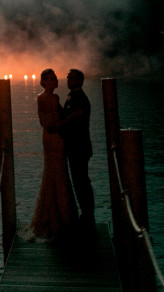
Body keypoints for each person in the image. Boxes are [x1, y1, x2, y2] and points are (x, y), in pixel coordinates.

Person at [29, 68, 77, 240]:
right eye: (49, 79)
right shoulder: (42, 98)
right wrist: (62, 122)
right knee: (52, 172)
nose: (53, 81)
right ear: (43, 82)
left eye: (54, 78)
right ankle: (53, 220)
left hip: (59, 136)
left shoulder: (56, 98)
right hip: (51, 137)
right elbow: (46, 122)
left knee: (61, 173)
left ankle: (64, 218)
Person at [60, 68, 94, 227]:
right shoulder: (72, 96)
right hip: (74, 146)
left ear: (79, 81)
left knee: (82, 181)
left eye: (71, 78)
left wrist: (63, 122)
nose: (68, 80)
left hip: (79, 146)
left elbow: (78, 113)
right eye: (68, 78)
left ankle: (88, 214)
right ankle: (85, 214)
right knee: (79, 181)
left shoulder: (80, 97)